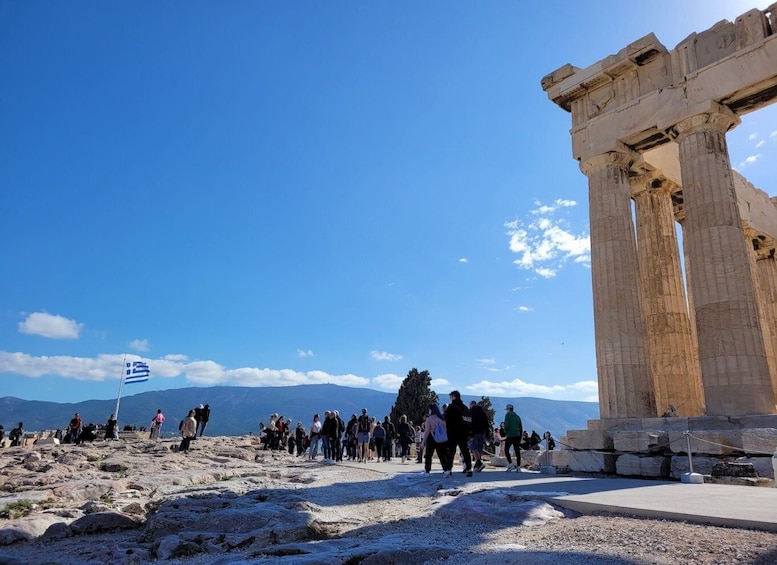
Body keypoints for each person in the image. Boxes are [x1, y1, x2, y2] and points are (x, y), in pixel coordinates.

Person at [445, 390, 473, 477]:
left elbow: (447, 420)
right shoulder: (465, 408)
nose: (450, 398)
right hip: (463, 433)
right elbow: (469, 421)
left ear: (454, 397)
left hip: (453, 432)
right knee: (465, 451)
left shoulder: (451, 407)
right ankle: (469, 468)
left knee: (451, 452)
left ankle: (448, 469)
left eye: (451, 396)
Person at [422, 404, 451, 476]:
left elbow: (427, 431)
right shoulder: (441, 418)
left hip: (432, 438)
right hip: (441, 438)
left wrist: (423, 441)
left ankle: (427, 470)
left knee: (429, 454)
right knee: (442, 454)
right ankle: (446, 469)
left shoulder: (429, 419)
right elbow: (445, 429)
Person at [468, 400, 489, 472]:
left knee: (473, 448)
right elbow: (486, 424)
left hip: (474, 432)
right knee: (479, 449)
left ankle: (479, 462)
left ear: (471, 405)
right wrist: (487, 434)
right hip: (482, 433)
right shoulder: (483, 413)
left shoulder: (471, 412)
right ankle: (477, 465)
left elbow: (469, 422)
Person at [504, 403, 523, 472]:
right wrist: (520, 436)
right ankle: (518, 466)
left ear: (508, 409)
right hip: (517, 435)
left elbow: (506, 425)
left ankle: (511, 464)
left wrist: (506, 432)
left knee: (506, 449)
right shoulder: (517, 416)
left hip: (510, 435)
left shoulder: (508, 415)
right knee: (517, 451)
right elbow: (520, 427)